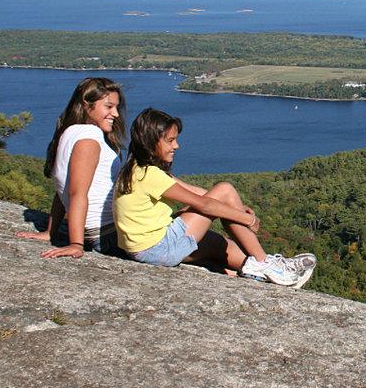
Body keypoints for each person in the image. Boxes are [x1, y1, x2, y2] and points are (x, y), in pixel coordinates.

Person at [113, 108, 315, 287]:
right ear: (150, 141)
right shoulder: (150, 175)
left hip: (147, 249)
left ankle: (264, 268)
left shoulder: (138, 170)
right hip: (157, 248)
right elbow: (205, 204)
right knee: (225, 189)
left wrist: (235, 210)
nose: (177, 146)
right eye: (170, 140)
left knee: (219, 243)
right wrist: (247, 219)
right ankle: (266, 264)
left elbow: (197, 193)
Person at [17, 77, 125, 257]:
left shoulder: (70, 132)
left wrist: (51, 233)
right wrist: (76, 244)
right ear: (86, 104)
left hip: (101, 232)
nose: (116, 114)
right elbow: (77, 193)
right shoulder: (89, 139)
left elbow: (63, 190)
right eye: (108, 106)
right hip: (107, 235)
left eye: (116, 107)